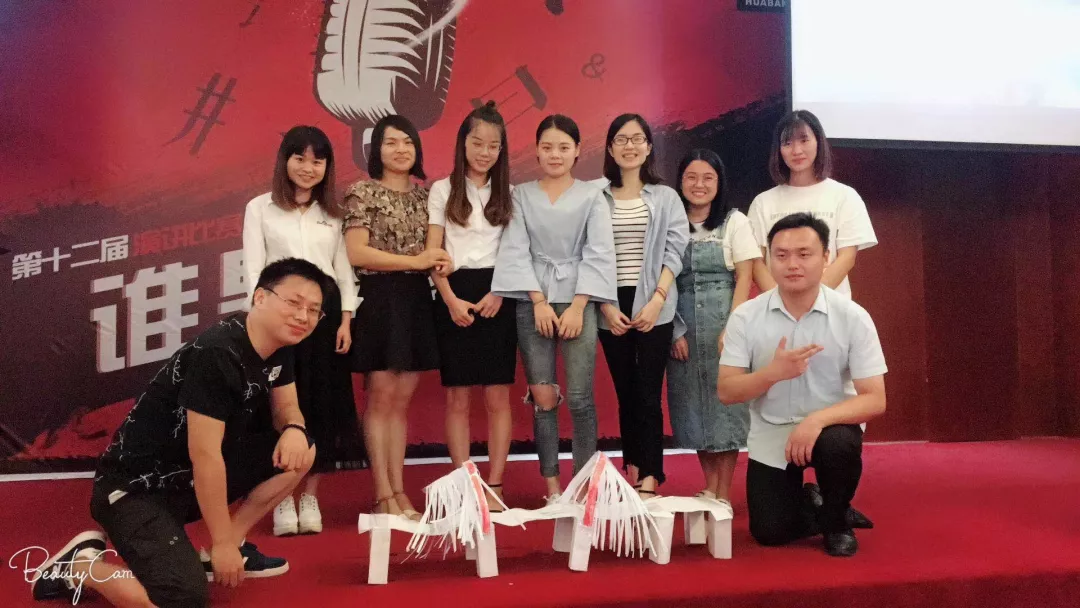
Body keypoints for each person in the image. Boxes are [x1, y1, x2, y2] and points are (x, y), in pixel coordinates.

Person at [30, 258, 325, 606]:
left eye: (313, 310)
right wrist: (221, 543)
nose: (303, 316)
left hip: (183, 481)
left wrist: (293, 427)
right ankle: (79, 567)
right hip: (136, 489)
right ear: (260, 297)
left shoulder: (278, 345)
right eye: (294, 303)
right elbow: (205, 455)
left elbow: (286, 406)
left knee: (302, 448)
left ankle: (225, 546)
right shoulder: (217, 354)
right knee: (181, 599)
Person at [717, 213, 887, 557]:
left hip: (829, 427)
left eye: (804, 254)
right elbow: (727, 391)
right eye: (781, 255)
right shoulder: (746, 317)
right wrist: (772, 373)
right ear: (769, 260)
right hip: (772, 431)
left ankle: (836, 520)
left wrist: (816, 421)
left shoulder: (852, 317)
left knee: (838, 444)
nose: (792, 264)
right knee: (770, 533)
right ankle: (816, 503)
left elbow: (874, 399)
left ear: (826, 257)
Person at [242, 125, 365, 537]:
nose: (308, 168)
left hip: (323, 316)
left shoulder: (334, 213)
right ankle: (281, 496)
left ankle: (309, 495)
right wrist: (262, 322)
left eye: (318, 160)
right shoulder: (259, 208)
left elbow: (344, 270)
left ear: (327, 166)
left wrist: (346, 318)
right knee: (280, 405)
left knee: (321, 404)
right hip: (278, 315)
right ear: (285, 161)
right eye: (300, 158)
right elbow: (254, 270)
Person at [491, 114, 617, 503]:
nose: (555, 154)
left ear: (578, 151)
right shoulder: (520, 195)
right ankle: (552, 487)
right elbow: (515, 250)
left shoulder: (592, 196)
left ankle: (583, 487)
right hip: (534, 303)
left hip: (580, 300)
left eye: (563, 147)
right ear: (536, 150)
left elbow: (599, 252)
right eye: (547, 147)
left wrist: (579, 306)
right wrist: (539, 302)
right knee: (543, 397)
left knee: (579, 396)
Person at [343, 114, 450, 520]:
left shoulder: (427, 197)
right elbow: (357, 252)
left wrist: (438, 262)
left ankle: (399, 490)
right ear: (376, 150)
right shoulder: (362, 192)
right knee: (380, 397)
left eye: (407, 141)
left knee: (401, 402)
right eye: (391, 142)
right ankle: (381, 493)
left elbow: (437, 250)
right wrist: (415, 261)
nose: (401, 149)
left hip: (417, 301)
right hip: (379, 298)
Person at [594, 114, 689, 499]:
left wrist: (658, 300)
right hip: (610, 303)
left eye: (637, 139)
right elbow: (588, 253)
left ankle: (650, 475)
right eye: (621, 139)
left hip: (654, 301)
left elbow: (675, 251)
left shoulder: (665, 197)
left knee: (649, 393)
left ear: (649, 147)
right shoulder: (597, 197)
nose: (629, 146)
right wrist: (604, 306)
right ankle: (632, 467)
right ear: (610, 148)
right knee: (626, 393)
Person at [426, 103, 516, 509]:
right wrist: (449, 300)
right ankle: (465, 484)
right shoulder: (442, 190)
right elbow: (434, 251)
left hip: (498, 293)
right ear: (463, 143)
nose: (484, 152)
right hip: (455, 292)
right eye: (477, 143)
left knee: (498, 397)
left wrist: (500, 292)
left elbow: (515, 251)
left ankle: (494, 485)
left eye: (493, 146)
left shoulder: (509, 194)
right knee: (457, 398)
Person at [666, 149, 760, 505]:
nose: (699, 185)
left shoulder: (735, 221)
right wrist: (675, 331)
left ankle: (723, 492)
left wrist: (732, 328)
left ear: (719, 183)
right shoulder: (672, 223)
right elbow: (663, 279)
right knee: (692, 408)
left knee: (725, 408)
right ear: (680, 181)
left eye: (708, 178)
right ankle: (709, 485)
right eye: (691, 177)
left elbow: (745, 276)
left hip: (724, 323)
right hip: (683, 328)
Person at [747, 110, 877, 298]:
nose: (796, 150)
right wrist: (782, 302)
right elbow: (756, 262)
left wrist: (809, 300)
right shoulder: (763, 202)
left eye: (804, 140)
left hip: (830, 307)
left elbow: (847, 258)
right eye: (787, 143)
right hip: (775, 309)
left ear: (818, 142)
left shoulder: (845, 196)